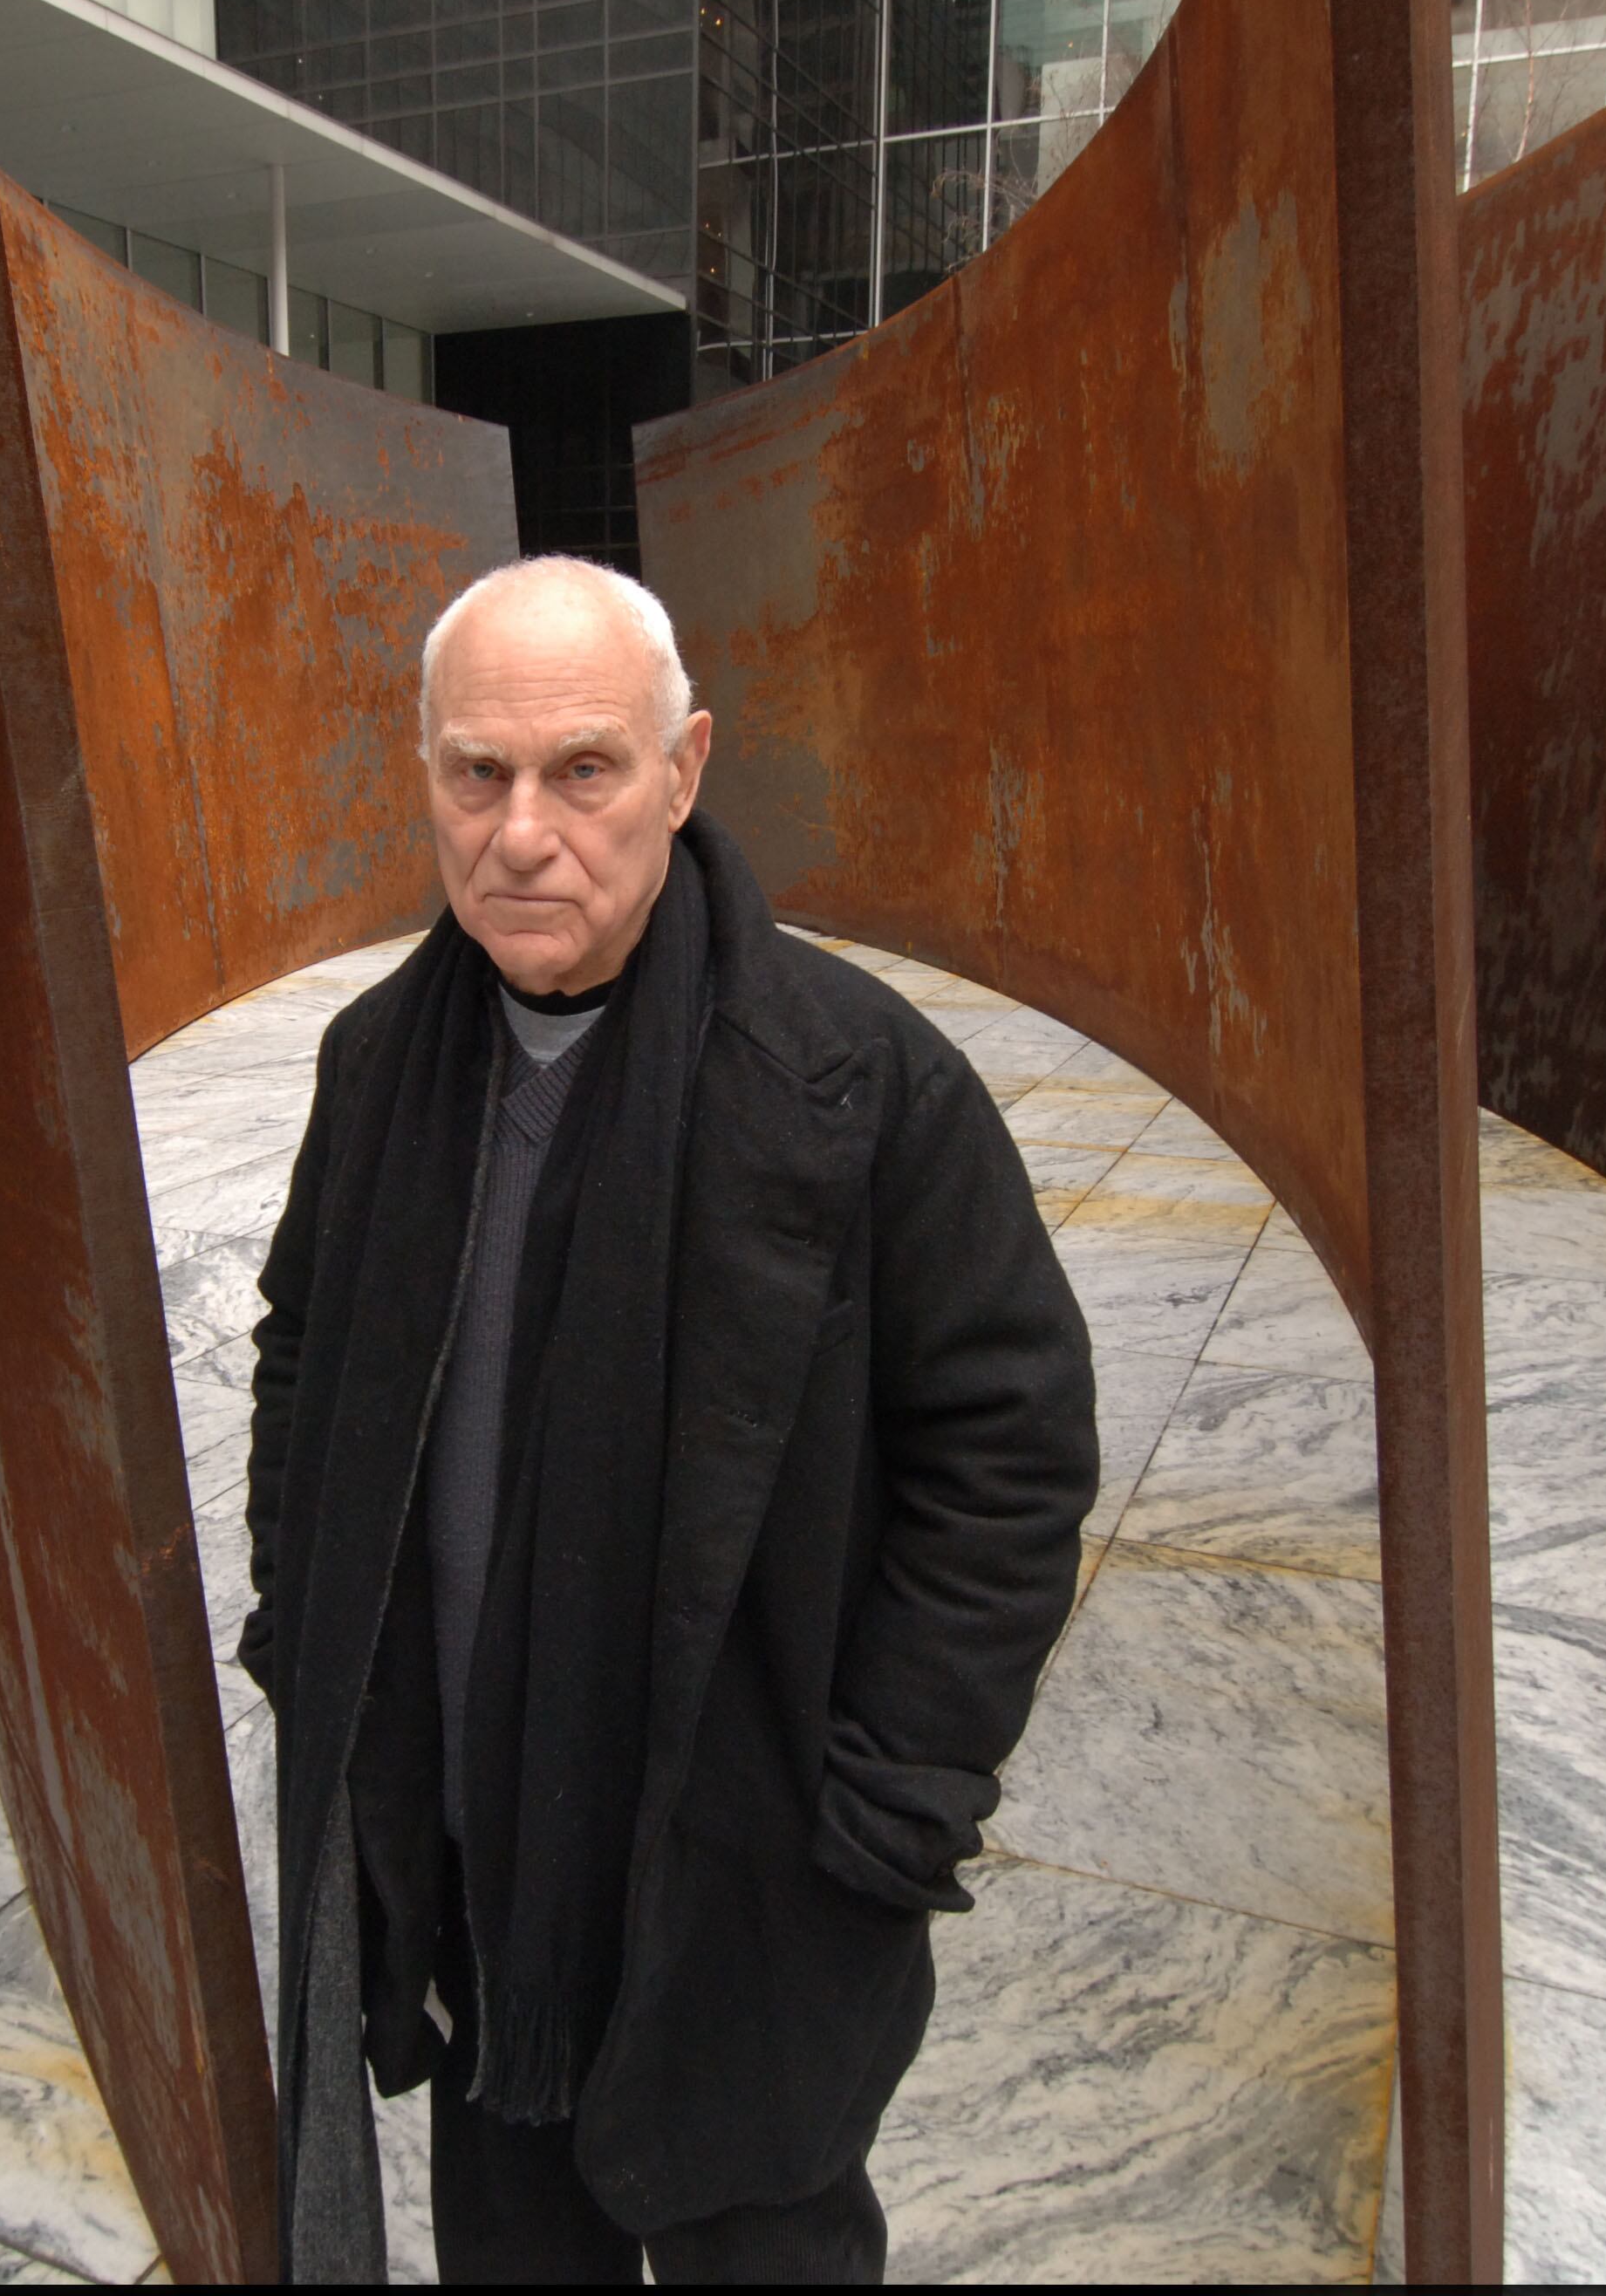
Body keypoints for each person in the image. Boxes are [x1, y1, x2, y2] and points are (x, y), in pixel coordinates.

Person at [239, 555, 1095, 2283]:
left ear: (683, 769)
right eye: (473, 773)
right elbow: (299, 1354)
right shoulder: (375, 1066)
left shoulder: (852, 1081)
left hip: (741, 1883)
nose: (520, 831)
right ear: (423, 775)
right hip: (477, 1877)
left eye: (583, 769)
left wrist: (891, 1796)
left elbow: (1003, 1438)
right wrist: (303, 1628)